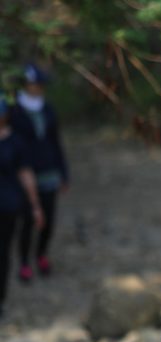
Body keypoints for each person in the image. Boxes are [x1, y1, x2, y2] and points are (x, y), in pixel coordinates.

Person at [9, 63, 68, 282]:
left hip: (48, 172)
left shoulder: (48, 109)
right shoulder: (14, 111)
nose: (39, 87)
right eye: (36, 83)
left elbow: (55, 142)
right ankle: (24, 261)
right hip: (24, 174)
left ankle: (41, 254)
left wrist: (63, 171)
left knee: (48, 219)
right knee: (27, 220)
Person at [0, 94, 43, 320]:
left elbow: (26, 174)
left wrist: (35, 206)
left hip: (8, 206)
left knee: (3, 253)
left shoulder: (16, 142)